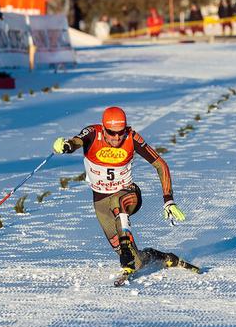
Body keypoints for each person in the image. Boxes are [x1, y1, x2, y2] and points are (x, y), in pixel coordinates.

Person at [52, 106, 188, 280]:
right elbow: (76, 142)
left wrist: (168, 199)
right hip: (101, 201)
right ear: (103, 128)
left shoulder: (132, 137)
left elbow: (161, 165)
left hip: (128, 194)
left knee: (118, 202)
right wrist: (66, 145)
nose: (117, 137)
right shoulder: (93, 133)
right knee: (136, 261)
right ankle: (159, 256)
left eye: (120, 132)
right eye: (112, 133)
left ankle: (126, 259)